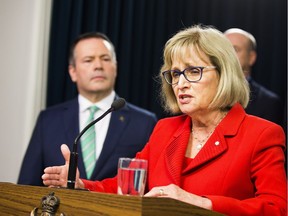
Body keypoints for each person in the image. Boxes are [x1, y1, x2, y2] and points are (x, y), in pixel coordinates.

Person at [42, 25, 286, 215]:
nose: (180, 83)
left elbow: (277, 209)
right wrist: (83, 185)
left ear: (224, 74)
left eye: (193, 71)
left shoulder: (262, 134)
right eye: (175, 74)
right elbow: (127, 186)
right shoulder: (165, 129)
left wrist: (200, 203)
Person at [18, 32, 157, 186]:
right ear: (73, 72)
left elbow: (150, 185)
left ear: (115, 67)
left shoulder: (144, 122)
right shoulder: (48, 120)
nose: (98, 66)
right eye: (88, 60)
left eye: (105, 59)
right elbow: (26, 184)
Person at [224, 28, 284, 126]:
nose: (228, 54)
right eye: (224, 49)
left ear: (251, 57)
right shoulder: (204, 92)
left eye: (235, 49)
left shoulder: (268, 103)